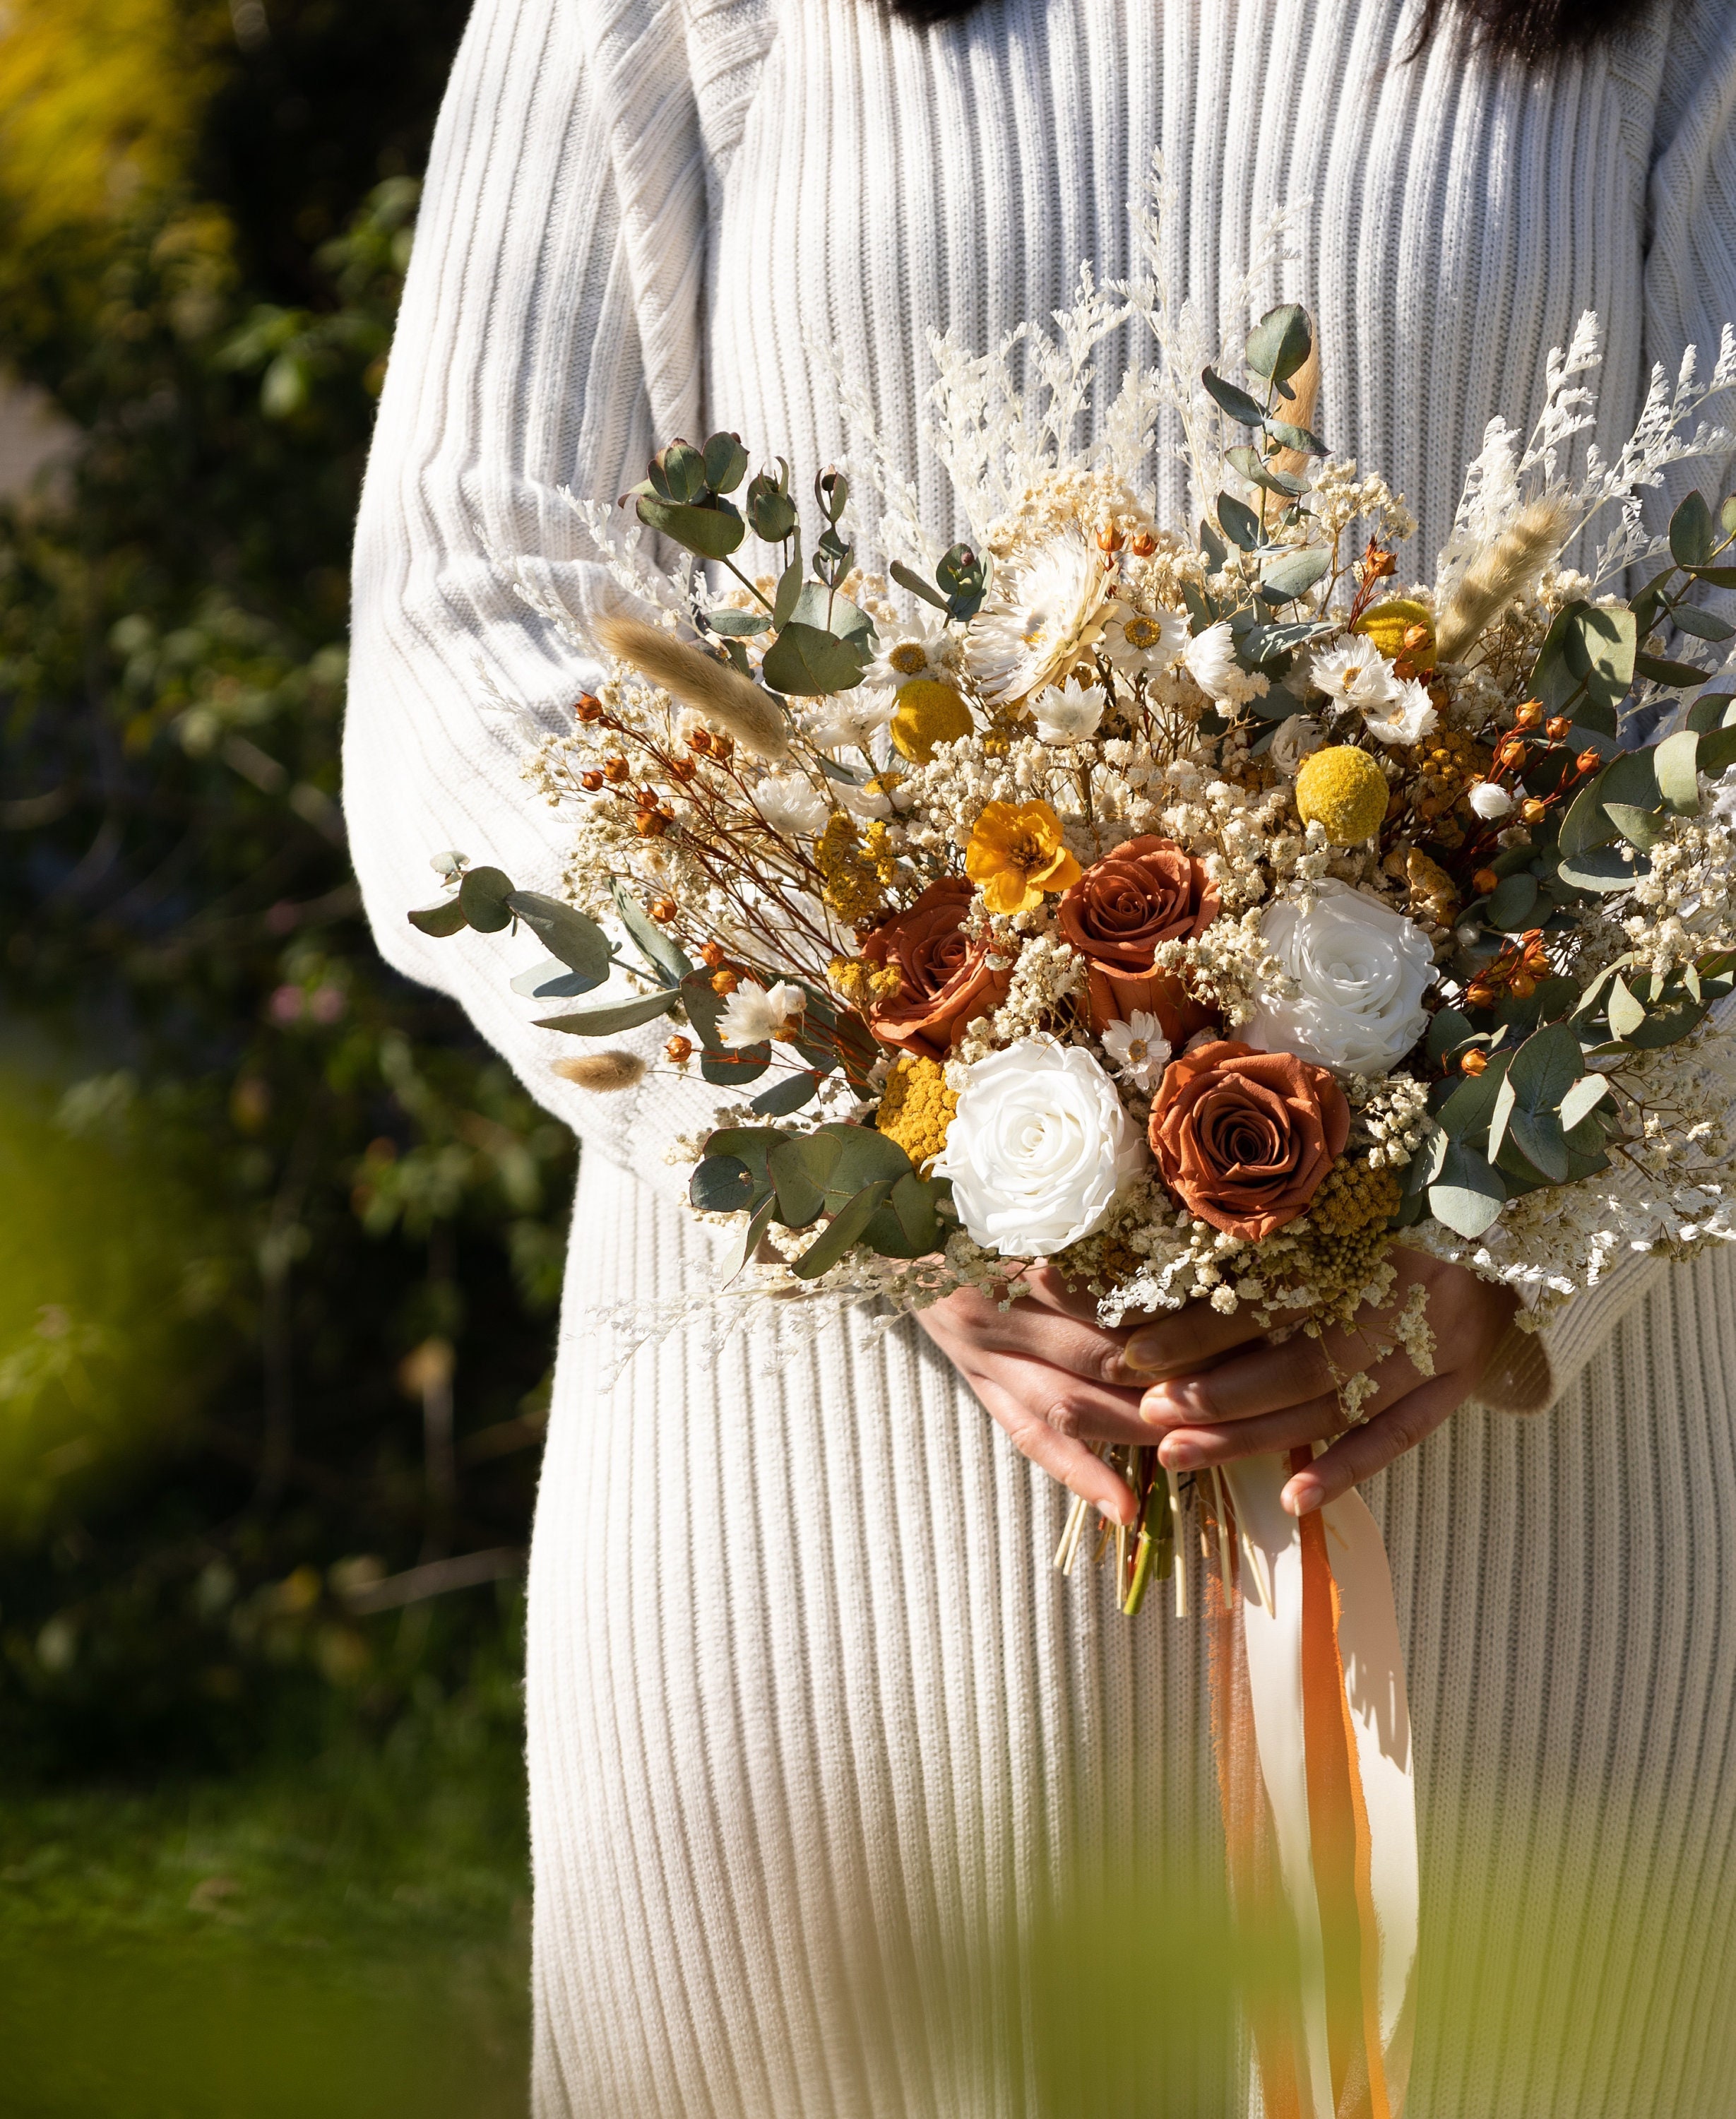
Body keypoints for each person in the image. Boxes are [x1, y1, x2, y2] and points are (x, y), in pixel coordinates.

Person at [345, 1, 1736, 2110]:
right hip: (822, 1477)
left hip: (1518, 1466)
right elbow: (484, 597)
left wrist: (1515, 1226)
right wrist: (882, 1179)